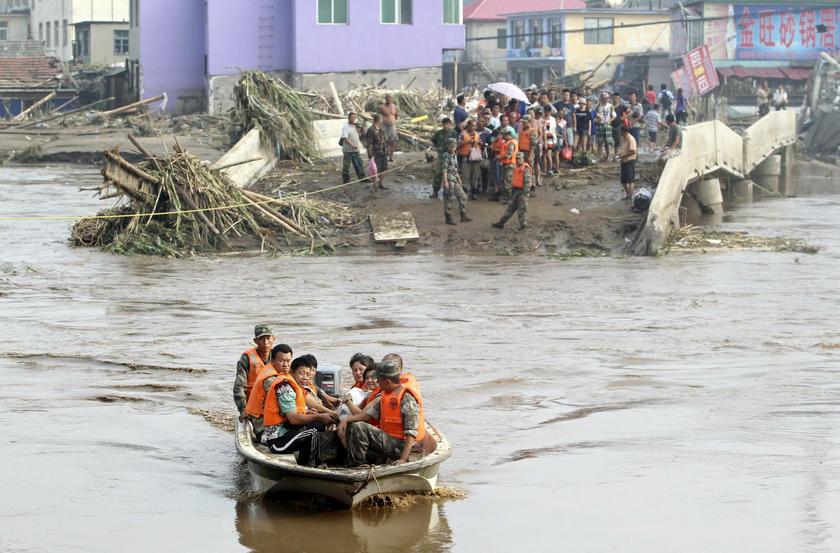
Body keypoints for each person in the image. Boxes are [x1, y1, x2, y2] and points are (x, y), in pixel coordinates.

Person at [339, 361, 425, 466]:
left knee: (359, 427)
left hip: (401, 445)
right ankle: (358, 462)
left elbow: (411, 432)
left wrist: (403, 459)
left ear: (387, 381)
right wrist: (345, 420)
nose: (377, 382)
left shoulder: (406, 397)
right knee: (353, 425)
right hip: (388, 439)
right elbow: (366, 416)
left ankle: (358, 465)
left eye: (379, 380)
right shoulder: (386, 394)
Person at [260, 356, 338, 466]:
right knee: (316, 428)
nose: (305, 377)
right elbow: (293, 419)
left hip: (288, 433)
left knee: (317, 424)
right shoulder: (285, 387)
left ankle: (307, 462)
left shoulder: (297, 387)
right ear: (292, 372)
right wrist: (319, 416)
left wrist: (308, 414)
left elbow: (293, 415)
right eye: (302, 373)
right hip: (277, 442)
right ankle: (311, 466)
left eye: (308, 374)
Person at [243, 343, 293, 440]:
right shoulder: (270, 380)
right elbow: (290, 411)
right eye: (281, 361)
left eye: (288, 361)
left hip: (276, 423)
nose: (286, 364)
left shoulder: (278, 372)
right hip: (266, 430)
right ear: (273, 361)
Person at [234, 324, 274, 417]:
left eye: (268, 338)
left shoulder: (278, 357)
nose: (265, 342)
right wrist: (243, 409)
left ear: (273, 339)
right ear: (255, 341)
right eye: (261, 339)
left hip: (273, 405)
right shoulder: (246, 358)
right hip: (253, 407)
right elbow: (239, 385)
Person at [492, 152, 531, 231]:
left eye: (519, 159)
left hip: (522, 192)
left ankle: (523, 225)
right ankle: (501, 223)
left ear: (523, 159)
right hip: (516, 191)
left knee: (522, 209)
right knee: (510, 208)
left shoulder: (525, 168)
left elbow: (527, 183)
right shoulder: (517, 167)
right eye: (516, 159)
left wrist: (524, 194)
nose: (517, 160)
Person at [441, 138, 472, 225]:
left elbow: (455, 168)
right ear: (447, 146)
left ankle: (463, 215)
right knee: (449, 198)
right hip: (449, 179)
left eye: (454, 146)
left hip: (454, 178)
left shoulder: (454, 155)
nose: (452, 148)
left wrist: (459, 178)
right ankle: (448, 217)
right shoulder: (446, 156)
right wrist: (445, 181)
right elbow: (444, 170)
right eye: (451, 147)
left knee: (463, 196)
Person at [430, 117, 458, 199]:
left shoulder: (454, 133)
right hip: (441, 156)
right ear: (442, 125)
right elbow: (433, 140)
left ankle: (448, 193)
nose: (446, 126)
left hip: (450, 156)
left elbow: (456, 143)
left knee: (451, 174)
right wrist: (438, 147)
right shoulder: (439, 133)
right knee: (438, 174)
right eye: (444, 124)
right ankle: (435, 191)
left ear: (450, 124)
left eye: (447, 124)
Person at [458, 119, 482, 200]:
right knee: (465, 176)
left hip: (476, 158)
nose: (473, 127)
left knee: (475, 176)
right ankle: (464, 193)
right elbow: (458, 144)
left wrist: (479, 143)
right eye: (472, 125)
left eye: (475, 126)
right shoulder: (462, 134)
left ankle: (474, 193)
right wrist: (468, 142)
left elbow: (481, 143)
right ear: (468, 125)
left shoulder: (477, 134)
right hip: (466, 157)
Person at [365, 114, 388, 191]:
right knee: (375, 170)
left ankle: (381, 183)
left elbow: (384, 140)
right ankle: (374, 185)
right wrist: (370, 156)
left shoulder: (381, 129)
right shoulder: (371, 130)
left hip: (383, 152)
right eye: (382, 119)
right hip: (376, 153)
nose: (383, 120)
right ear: (379, 120)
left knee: (384, 168)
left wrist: (386, 150)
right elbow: (369, 144)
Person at [340, 113, 365, 184]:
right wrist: (352, 145)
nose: (353, 119)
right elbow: (345, 137)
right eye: (352, 117)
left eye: (354, 118)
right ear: (348, 118)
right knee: (346, 165)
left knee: (359, 163)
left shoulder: (355, 126)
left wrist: (361, 130)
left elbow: (359, 136)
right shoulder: (345, 127)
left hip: (356, 149)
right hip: (348, 150)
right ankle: (346, 180)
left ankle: (362, 177)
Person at [616, 125, 637, 199]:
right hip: (624, 160)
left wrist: (623, 156)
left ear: (623, 132)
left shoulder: (630, 139)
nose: (619, 133)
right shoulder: (624, 138)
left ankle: (629, 195)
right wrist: (621, 154)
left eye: (620, 131)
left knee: (629, 180)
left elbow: (633, 151)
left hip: (629, 160)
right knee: (625, 180)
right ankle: (628, 195)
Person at [499, 127, 518, 202]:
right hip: (506, 163)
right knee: (505, 180)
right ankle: (507, 196)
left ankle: (509, 197)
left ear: (508, 134)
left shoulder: (511, 143)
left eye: (504, 134)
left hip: (510, 164)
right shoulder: (508, 142)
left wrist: (499, 157)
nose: (503, 136)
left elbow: (508, 155)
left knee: (508, 181)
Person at [596, 93, 616, 161]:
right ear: (601, 98)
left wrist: (609, 121)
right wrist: (597, 120)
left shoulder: (610, 106)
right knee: (600, 142)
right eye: (604, 98)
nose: (606, 99)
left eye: (607, 98)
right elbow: (595, 114)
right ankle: (599, 156)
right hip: (600, 124)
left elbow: (614, 116)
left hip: (607, 125)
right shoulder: (598, 106)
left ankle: (608, 156)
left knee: (608, 142)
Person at [380, 94, 399, 162]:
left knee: (393, 142)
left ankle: (391, 157)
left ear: (392, 99)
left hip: (392, 126)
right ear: (385, 99)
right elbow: (380, 116)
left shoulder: (394, 107)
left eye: (390, 98)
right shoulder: (382, 107)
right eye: (387, 99)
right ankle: (385, 156)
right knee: (384, 141)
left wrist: (393, 121)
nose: (389, 100)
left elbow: (396, 115)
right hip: (384, 126)